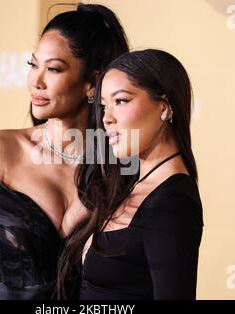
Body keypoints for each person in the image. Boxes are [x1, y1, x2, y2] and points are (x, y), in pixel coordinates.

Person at [0, 3, 129, 300]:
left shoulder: (118, 162)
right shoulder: (1, 152)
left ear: (93, 82)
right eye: (33, 65)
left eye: (53, 69)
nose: (36, 81)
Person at [57, 49, 204, 300]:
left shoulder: (172, 204)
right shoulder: (129, 185)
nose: (107, 119)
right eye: (104, 106)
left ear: (165, 106)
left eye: (121, 101)